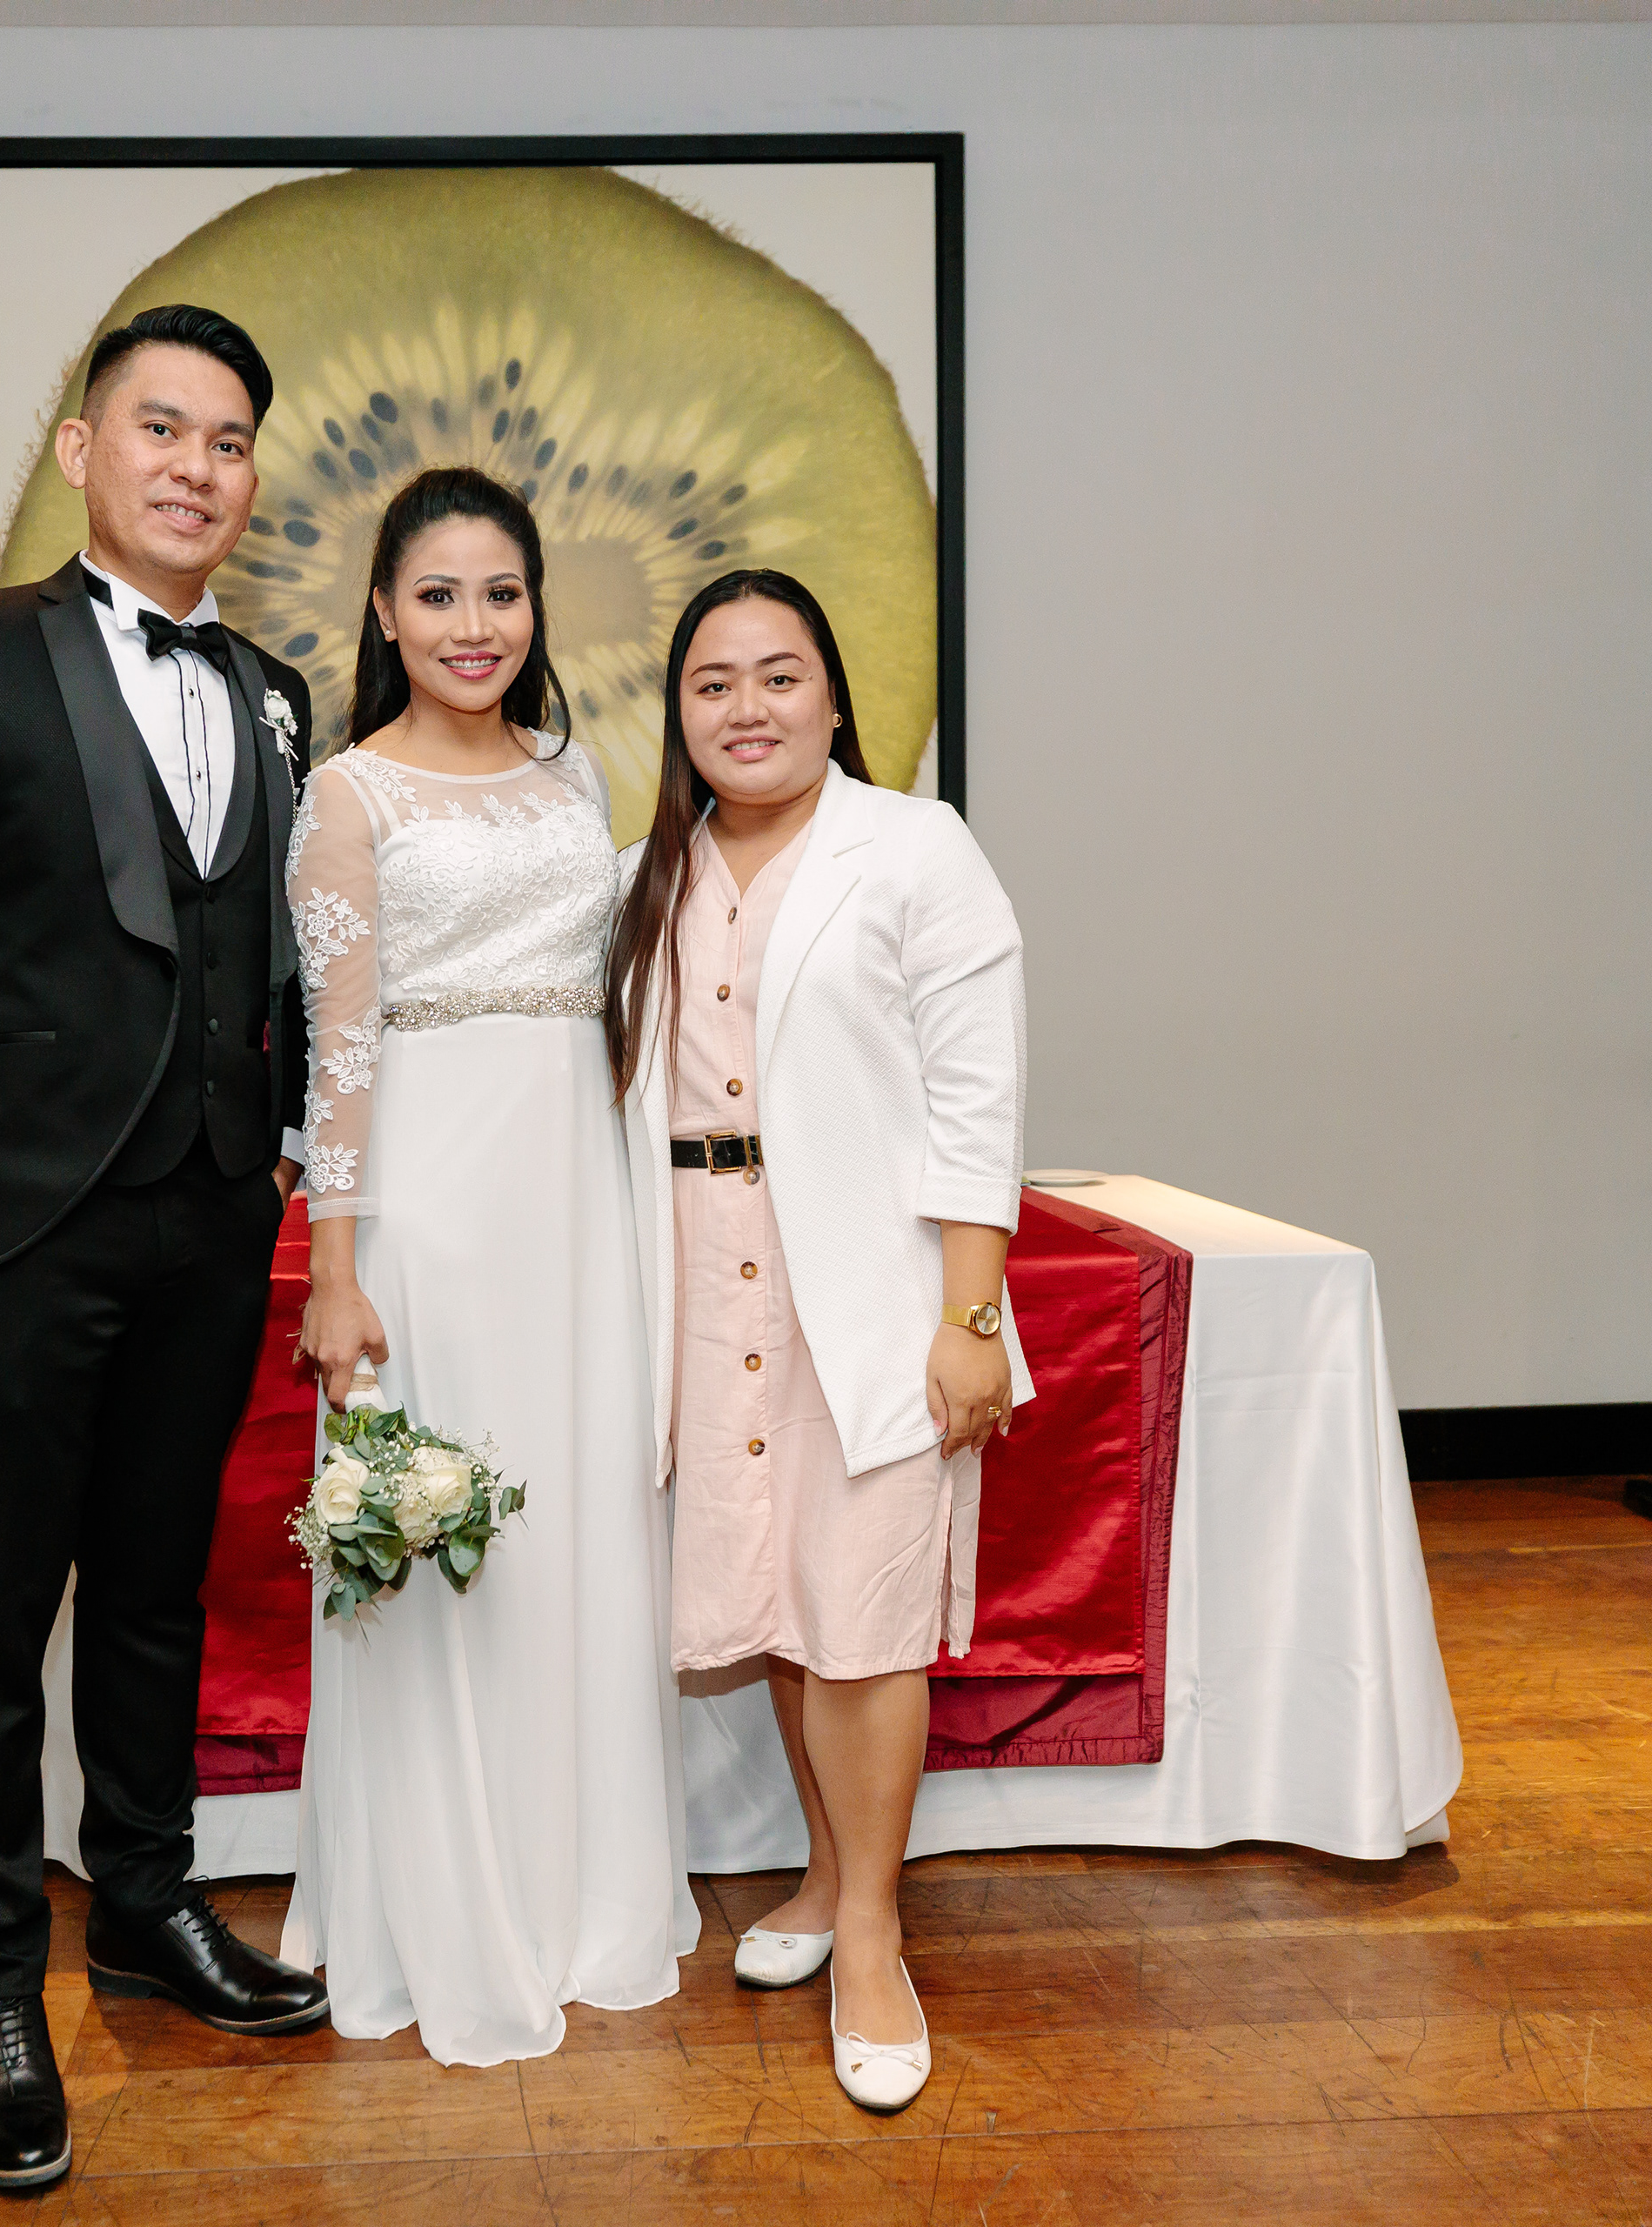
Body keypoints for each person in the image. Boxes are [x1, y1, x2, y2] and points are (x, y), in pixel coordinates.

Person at [0, 303, 331, 2197]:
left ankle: (143, 1900)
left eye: (229, 441)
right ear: (80, 449)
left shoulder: (275, 690)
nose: (197, 467)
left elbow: (272, 961)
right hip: (19, 1227)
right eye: (162, 429)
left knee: (152, 1587)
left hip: (212, 1215)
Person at [279, 465, 699, 2065]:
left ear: (537, 610)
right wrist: (336, 1269)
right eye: (439, 594)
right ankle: (446, 1901)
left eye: (503, 593)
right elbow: (338, 1050)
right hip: (432, 1202)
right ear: (386, 612)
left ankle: (580, 1881)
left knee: (580, 1520)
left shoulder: (571, 773)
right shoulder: (348, 794)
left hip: (578, 1199)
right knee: (444, 1524)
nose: (475, 625)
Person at [605, 569, 1030, 2115]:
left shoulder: (916, 848)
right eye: (713, 683)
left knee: (864, 1613)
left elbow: (977, 1100)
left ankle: (872, 1935)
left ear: (835, 698)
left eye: (779, 677)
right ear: (679, 713)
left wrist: (969, 1317)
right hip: (701, 1281)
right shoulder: (645, 875)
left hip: (867, 1288)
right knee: (784, 1598)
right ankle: (822, 1874)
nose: (748, 709)